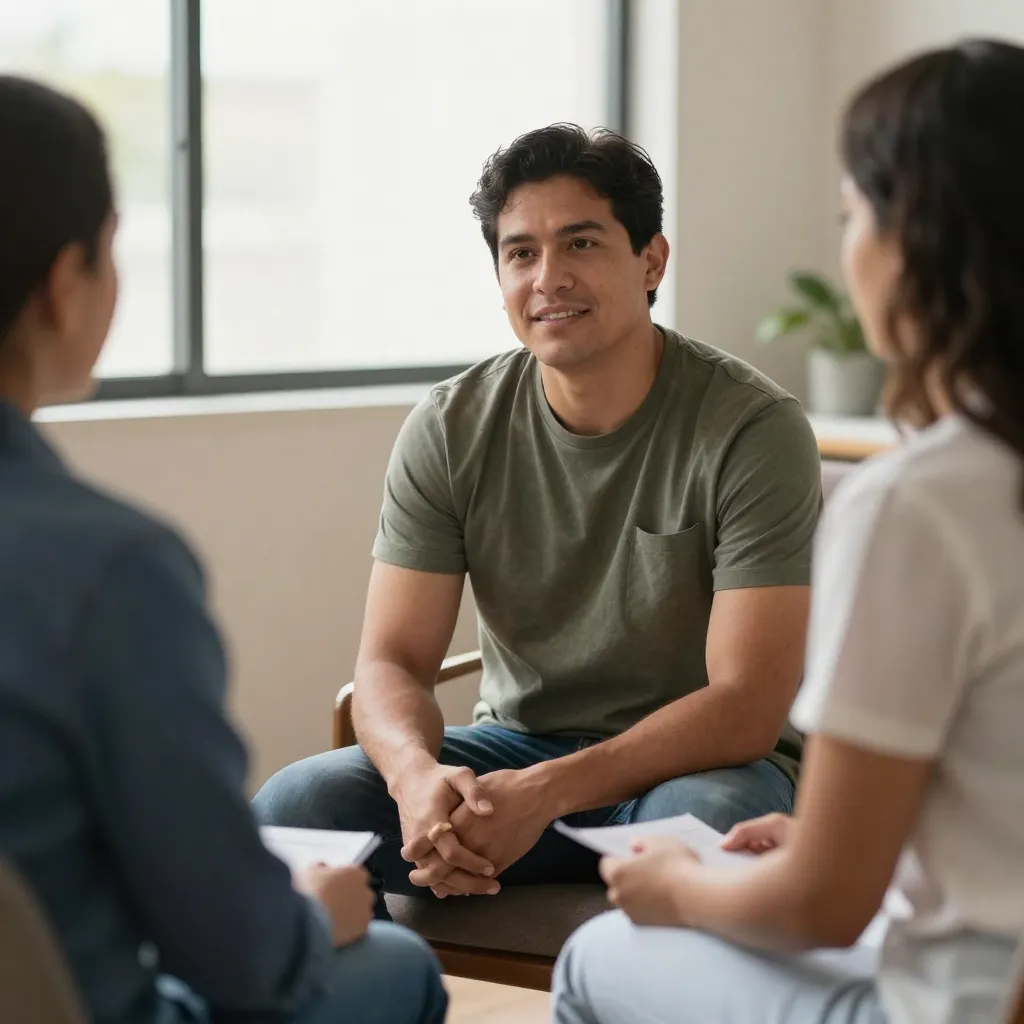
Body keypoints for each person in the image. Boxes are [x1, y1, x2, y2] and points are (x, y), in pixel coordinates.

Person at [551, 38, 1024, 1024]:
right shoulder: (459, 417)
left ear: (920, 239)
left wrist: (676, 889)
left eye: (852, 216)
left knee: (601, 952)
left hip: (962, 998)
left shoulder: (917, 504)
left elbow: (818, 900)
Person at [255, 124, 822, 911]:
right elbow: (389, 662)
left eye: (581, 243)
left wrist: (549, 792)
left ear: (651, 260)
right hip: (512, 755)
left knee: (718, 831)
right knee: (296, 810)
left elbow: (745, 705)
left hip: (691, 770)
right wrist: (418, 779)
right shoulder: (451, 426)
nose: (547, 277)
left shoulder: (753, 429)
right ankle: (386, 989)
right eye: (520, 253)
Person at [0, 77, 446, 1024]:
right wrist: (309, 919)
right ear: (62, 282)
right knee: (396, 965)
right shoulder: (109, 572)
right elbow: (241, 956)